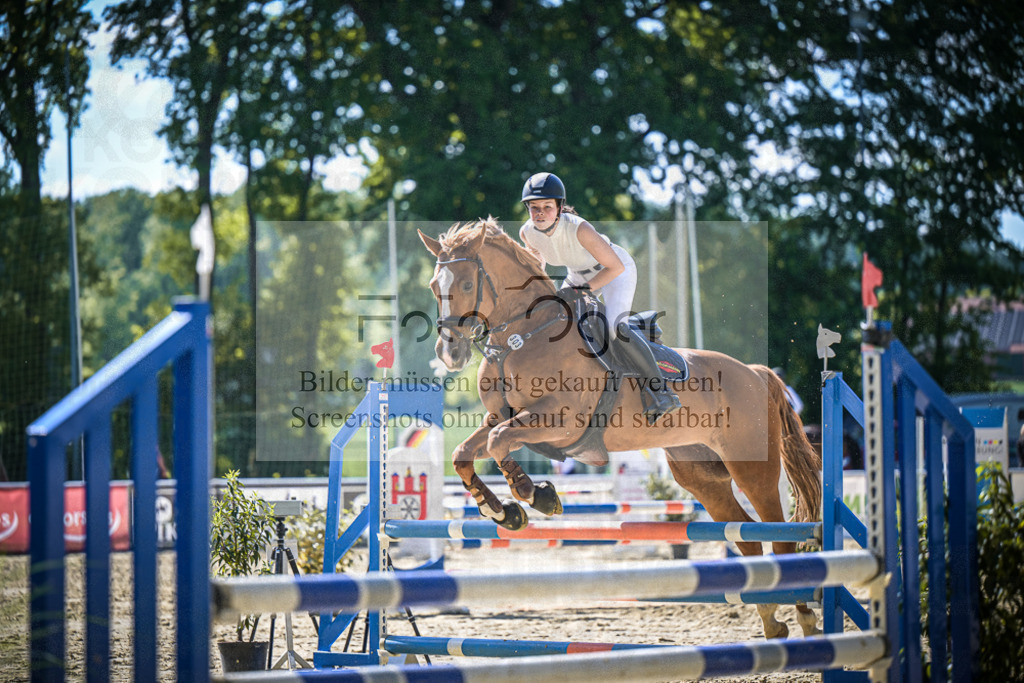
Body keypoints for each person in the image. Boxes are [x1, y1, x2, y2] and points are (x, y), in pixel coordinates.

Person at [517, 172, 682, 423]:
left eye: (547, 207)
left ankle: (662, 392)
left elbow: (615, 267)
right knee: (553, 319)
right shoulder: (527, 233)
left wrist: (583, 291)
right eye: (534, 207)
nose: (540, 213)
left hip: (614, 270)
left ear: (560, 207)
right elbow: (538, 264)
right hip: (577, 275)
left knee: (615, 327)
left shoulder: (579, 228)